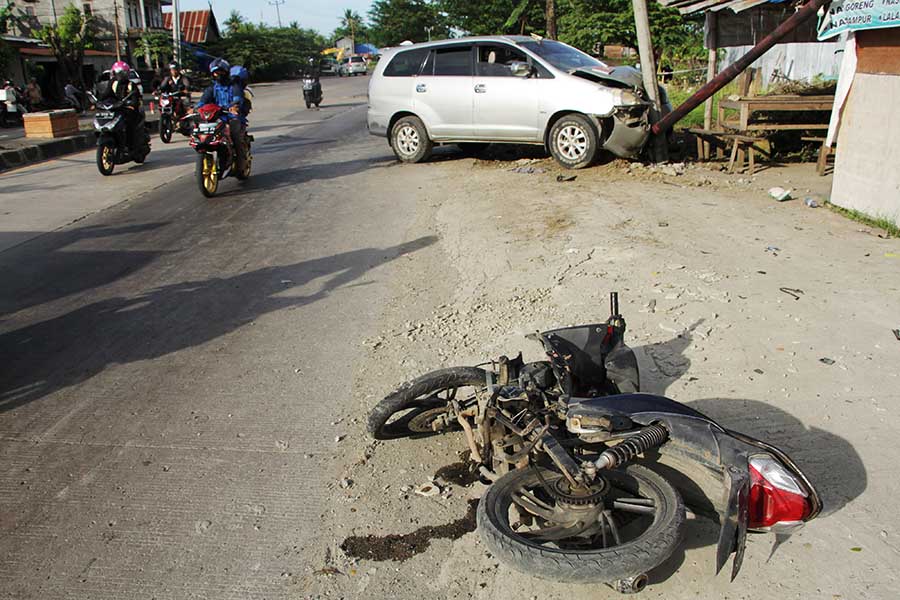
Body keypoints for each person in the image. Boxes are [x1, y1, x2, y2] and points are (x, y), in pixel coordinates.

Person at [196, 58, 248, 170]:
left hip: (232, 116)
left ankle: (241, 161)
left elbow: (237, 99)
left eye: (221, 72)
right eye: (216, 72)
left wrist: (233, 107)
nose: (218, 74)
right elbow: (203, 101)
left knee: (234, 134)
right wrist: (195, 109)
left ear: (226, 72)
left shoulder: (234, 86)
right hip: (216, 117)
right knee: (200, 130)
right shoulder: (212, 88)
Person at [100, 61, 143, 151]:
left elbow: (136, 99)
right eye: (116, 73)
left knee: (129, 124)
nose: (118, 76)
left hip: (128, 110)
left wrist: (130, 104)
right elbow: (106, 95)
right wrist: (98, 102)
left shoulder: (131, 85)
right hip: (116, 109)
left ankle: (130, 146)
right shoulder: (113, 83)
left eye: (121, 73)